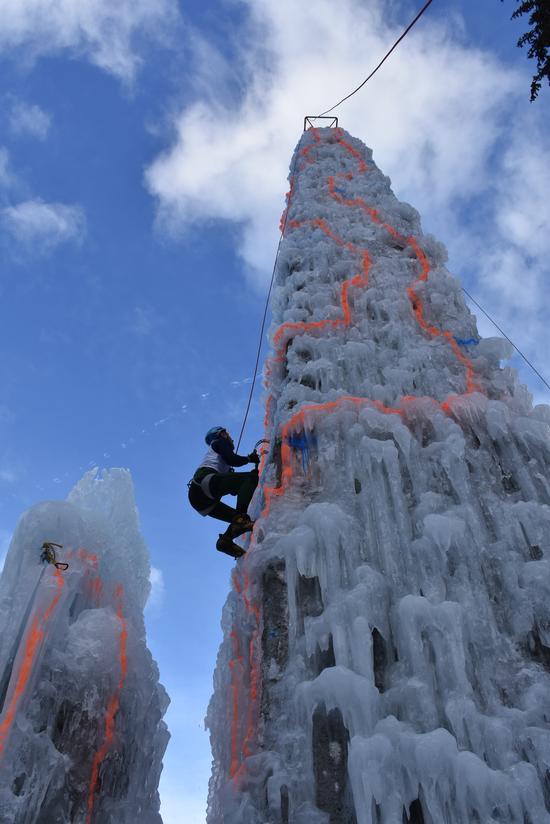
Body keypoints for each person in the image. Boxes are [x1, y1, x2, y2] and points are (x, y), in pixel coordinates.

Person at [188, 426, 260, 558]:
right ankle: (241, 519)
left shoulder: (217, 458)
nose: (231, 438)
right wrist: (249, 459)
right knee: (250, 478)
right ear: (222, 434)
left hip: (201, 500)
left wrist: (235, 480)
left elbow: (233, 488)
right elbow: (232, 459)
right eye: (228, 434)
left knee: (237, 519)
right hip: (204, 482)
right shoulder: (219, 442)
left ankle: (225, 541)